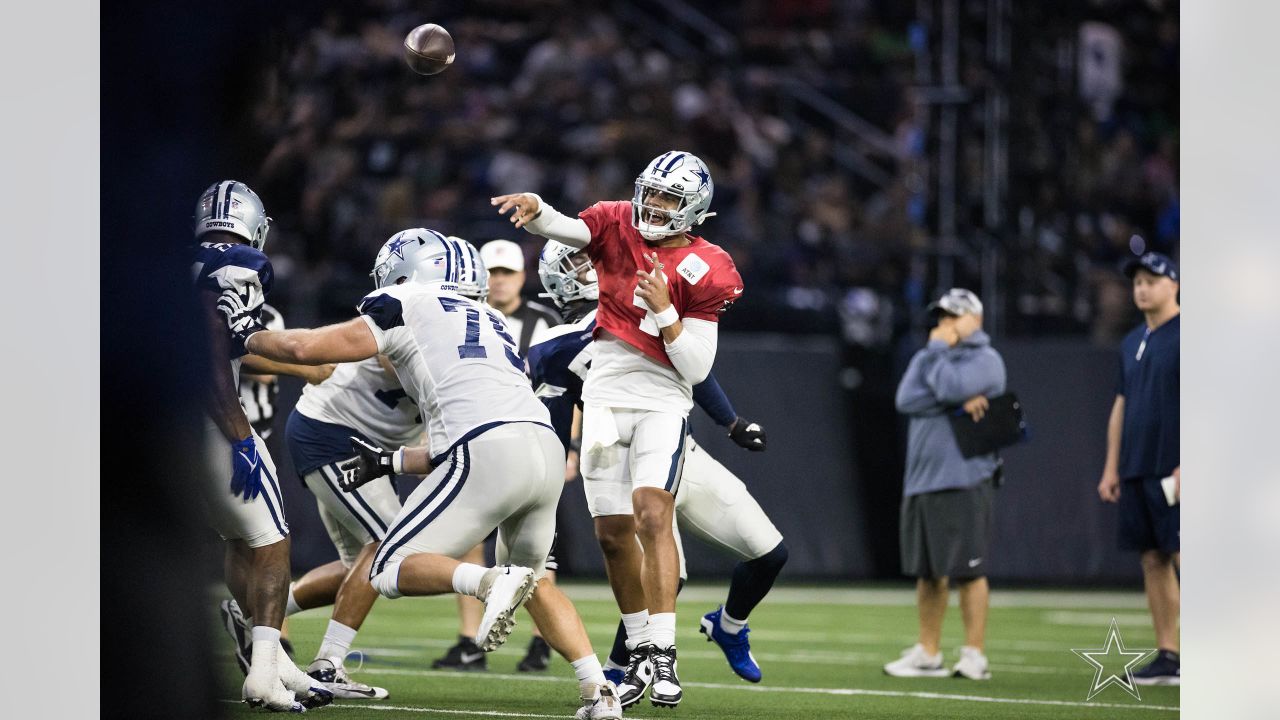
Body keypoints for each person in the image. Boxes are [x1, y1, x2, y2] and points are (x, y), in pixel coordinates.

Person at [221, 229, 622, 719]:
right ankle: (599, 693)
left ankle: (486, 583)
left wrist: (241, 334)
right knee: (535, 581)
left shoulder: (403, 299)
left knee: (387, 564)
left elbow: (309, 351)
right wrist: (389, 462)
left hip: (484, 446)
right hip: (543, 448)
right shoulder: (493, 320)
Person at [493, 151, 744, 709]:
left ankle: (664, 651)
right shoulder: (615, 223)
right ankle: (635, 645)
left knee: (653, 514)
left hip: (661, 400)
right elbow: (570, 229)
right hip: (606, 395)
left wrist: (664, 312)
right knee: (611, 535)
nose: (653, 206)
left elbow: (698, 369)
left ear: (694, 207)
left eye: (668, 199)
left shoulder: (710, 266)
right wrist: (537, 212)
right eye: (650, 193)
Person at [530, 241, 787, 691]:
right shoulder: (555, 345)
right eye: (578, 261)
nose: (592, 266)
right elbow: (554, 422)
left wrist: (731, 422)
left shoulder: (640, 301)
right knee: (668, 578)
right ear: (556, 275)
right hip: (623, 461)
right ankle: (620, 668)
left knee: (770, 554)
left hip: (676, 449)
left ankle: (727, 627)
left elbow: (693, 368)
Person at [193, 180, 332, 712]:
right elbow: (209, 347)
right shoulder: (242, 261)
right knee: (272, 544)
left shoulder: (172, 256)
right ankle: (263, 674)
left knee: (241, 537)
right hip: (212, 419)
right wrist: (238, 433)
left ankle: (274, 662)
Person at [433, 237, 562, 674]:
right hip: (479, 440)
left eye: (507, 273)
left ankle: (541, 642)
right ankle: (469, 641)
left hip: (534, 442)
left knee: (539, 548)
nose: (499, 282)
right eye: (492, 273)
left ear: (523, 278)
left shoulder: (544, 321)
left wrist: (573, 445)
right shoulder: (465, 318)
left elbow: (569, 390)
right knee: (468, 540)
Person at [886, 289, 1006, 681]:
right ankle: (929, 652)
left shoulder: (986, 360)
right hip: (922, 478)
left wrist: (944, 380)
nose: (945, 324)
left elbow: (948, 389)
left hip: (965, 477)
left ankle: (975, 655)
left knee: (969, 570)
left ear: (976, 319)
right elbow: (906, 400)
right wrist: (952, 397)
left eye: (954, 316)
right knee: (928, 571)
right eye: (941, 316)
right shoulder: (929, 355)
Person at [1097, 252, 1180, 685]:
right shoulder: (1132, 341)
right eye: (1137, 282)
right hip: (1138, 467)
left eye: (1152, 279)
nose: (1142, 288)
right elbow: (1121, 406)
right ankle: (1170, 654)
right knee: (1153, 558)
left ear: (1175, 285)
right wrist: (1112, 467)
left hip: (1175, 467)